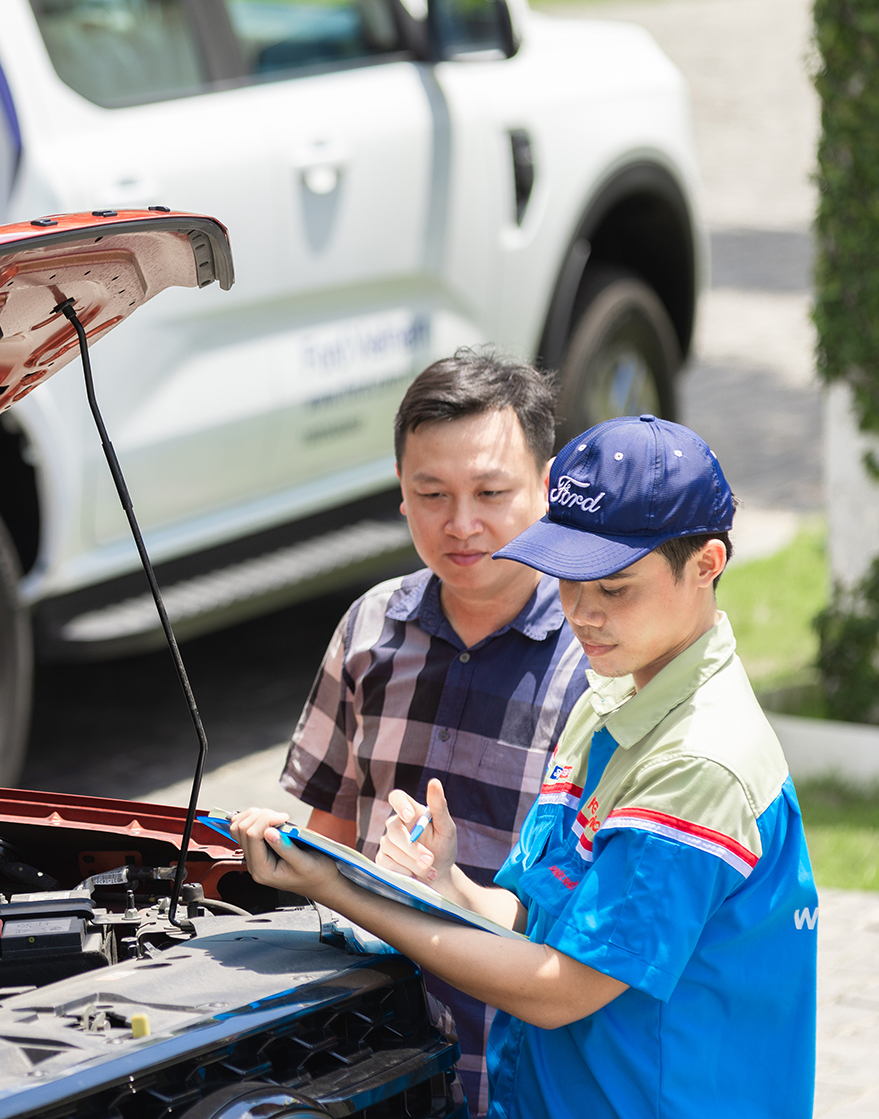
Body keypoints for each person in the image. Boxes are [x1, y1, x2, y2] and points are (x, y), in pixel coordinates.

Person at [237, 414, 818, 1119]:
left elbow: (559, 986)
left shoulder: (698, 761)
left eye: (615, 587)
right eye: (570, 580)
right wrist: (446, 883)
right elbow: (537, 919)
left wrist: (345, 890)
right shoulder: (610, 697)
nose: (583, 613)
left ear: (706, 566)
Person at [278, 350, 588, 1115]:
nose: (461, 524)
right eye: (431, 493)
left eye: (491, 492)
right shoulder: (369, 628)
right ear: (400, 493)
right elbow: (329, 844)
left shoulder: (597, 660)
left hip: (531, 1072)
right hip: (372, 1064)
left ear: (547, 488)